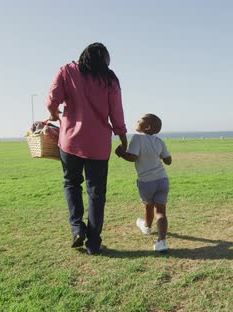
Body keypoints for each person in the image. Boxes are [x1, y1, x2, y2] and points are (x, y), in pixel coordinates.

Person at [46, 42, 127, 255]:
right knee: (96, 193)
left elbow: (51, 103)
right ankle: (93, 242)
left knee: (71, 183)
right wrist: (122, 136)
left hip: (70, 141)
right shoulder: (110, 80)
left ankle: (76, 228)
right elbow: (116, 113)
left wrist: (55, 116)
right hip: (99, 145)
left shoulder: (67, 71)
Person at [115, 114, 172, 252]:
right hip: (163, 180)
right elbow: (168, 161)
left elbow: (133, 157)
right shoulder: (159, 141)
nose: (137, 120)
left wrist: (121, 154)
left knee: (148, 206)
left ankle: (147, 227)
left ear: (147, 126)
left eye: (140, 120)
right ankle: (162, 242)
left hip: (146, 181)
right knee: (161, 212)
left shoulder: (137, 137)